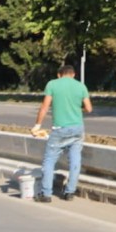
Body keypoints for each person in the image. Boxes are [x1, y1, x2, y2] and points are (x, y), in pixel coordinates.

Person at [33, 64, 93, 203]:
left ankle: (46, 194)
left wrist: (37, 125)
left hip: (60, 129)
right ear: (73, 74)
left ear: (59, 74)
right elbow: (89, 108)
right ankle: (69, 192)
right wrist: (77, 109)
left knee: (49, 160)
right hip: (77, 128)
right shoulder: (81, 86)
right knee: (75, 160)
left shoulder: (52, 84)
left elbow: (44, 107)